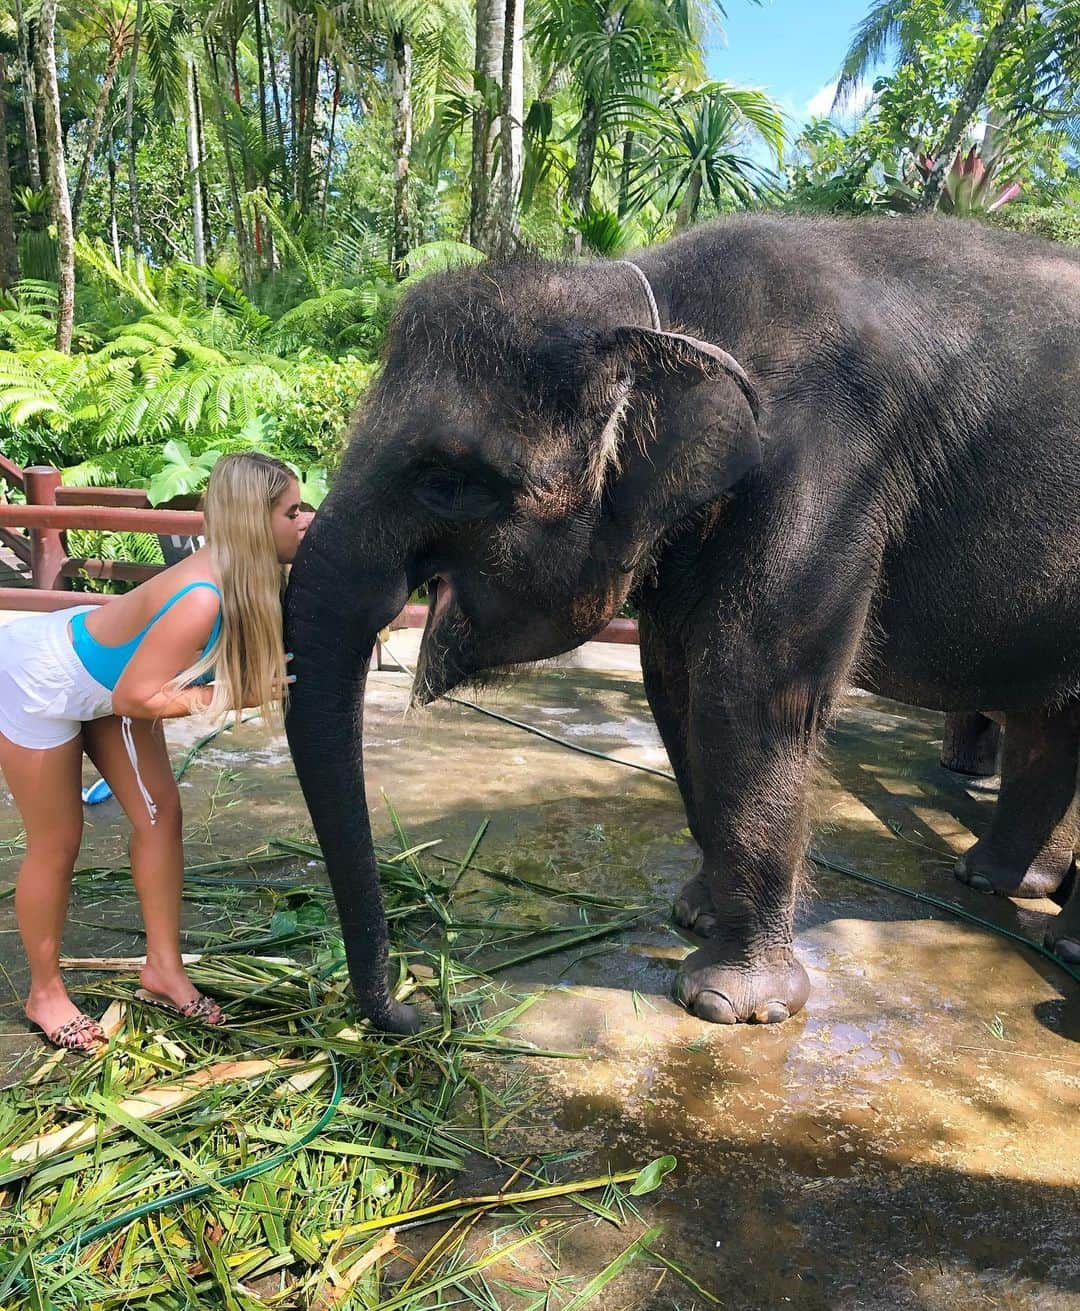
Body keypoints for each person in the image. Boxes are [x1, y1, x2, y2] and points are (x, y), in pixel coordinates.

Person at [0, 452, 308, 1053]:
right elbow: (137, 697)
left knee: (161, 814)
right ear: (253, 519)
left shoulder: (251, 578)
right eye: (292, 511)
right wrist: (229, 696)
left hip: (111, 684)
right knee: (58, 841)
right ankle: (45, 993)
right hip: (42, 681)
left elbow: (131, 690)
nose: (305, 521)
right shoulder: (201, 597)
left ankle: (163, 969)